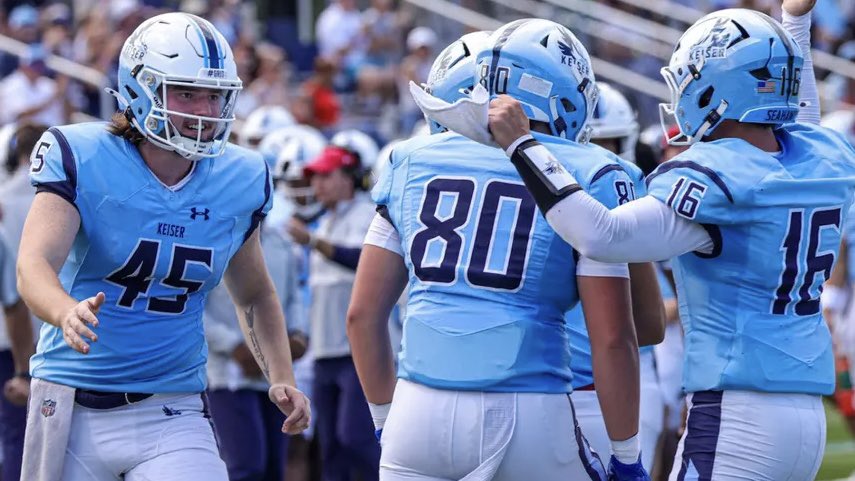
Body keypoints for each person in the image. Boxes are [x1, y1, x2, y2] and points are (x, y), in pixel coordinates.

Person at [449, 2, 850, 480]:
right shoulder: (820, 155)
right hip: (804, 416)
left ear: (719, 86)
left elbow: (602, 234)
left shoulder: (722, 179)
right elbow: (801, 115)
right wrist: (795, 24)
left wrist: (522, 145)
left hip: (740, 413)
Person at [349, 19, 652, 481]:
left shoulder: (408, 159)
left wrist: (386, 423)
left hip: (416, 405)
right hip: (527, 403)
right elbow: (615, 337)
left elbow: (362, 316)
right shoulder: (593, 170)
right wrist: (627, 456)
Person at [15, 13, 309, 481]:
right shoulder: (82, 155)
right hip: (72, 399)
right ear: (140, 88)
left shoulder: (242, 176)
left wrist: (281, 376)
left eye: (214, 96)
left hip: (173, 408)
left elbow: (253, 293)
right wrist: (63, 310)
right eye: (186, 92)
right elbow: (33, 265)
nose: (205, 111)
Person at [566, 82, 665, 473]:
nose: (599, 156)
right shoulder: (621, 182)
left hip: (527, 391)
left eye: (608, 144)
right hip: (579, 390)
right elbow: (649, 325)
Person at [287, 142, 380, 481]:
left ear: (350, 178)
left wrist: (313, 243)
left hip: (359, 353)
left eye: (326, 176)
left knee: (356, 438)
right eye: (315, 177)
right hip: (325, 351)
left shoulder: (369, 215)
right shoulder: (325, 223)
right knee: (331, 450)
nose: (317, 184)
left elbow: (361, 261)